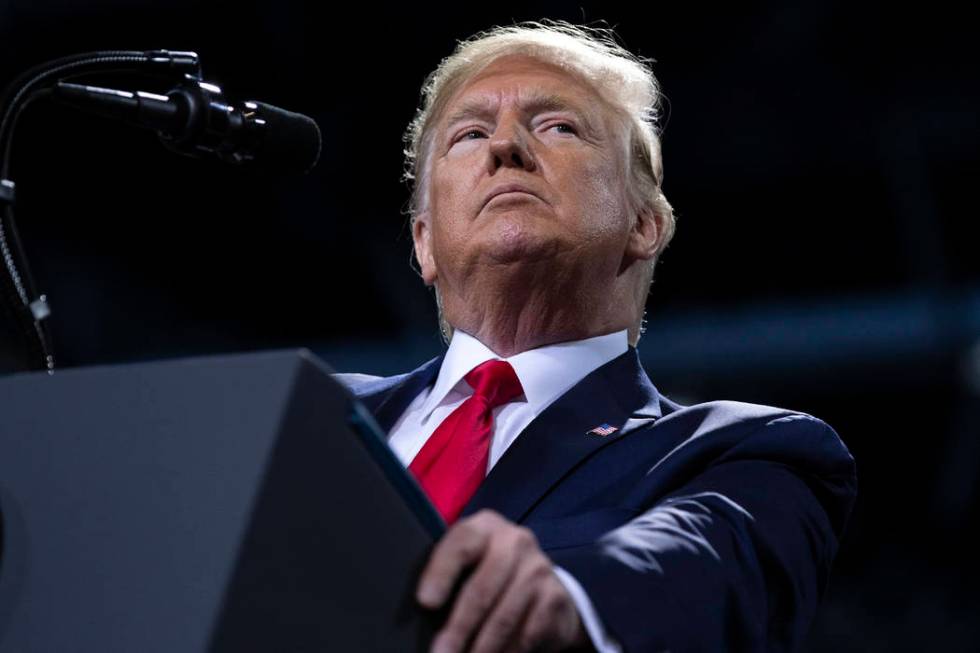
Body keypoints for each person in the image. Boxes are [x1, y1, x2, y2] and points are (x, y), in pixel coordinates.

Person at [340, 21, 856, 653]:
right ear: (423, 242)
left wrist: (569, 595)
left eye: (557, 126)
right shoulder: (310, 412)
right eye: (470, 134)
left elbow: (701, 563)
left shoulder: (746, 454)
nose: (505, 146)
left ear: (644, 225)